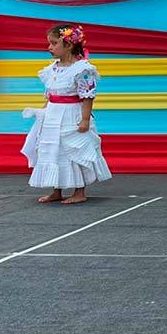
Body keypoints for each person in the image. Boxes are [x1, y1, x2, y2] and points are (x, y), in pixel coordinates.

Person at [21, 25, 112, 204]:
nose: (50, 47)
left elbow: (87, 96)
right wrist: (43, 112)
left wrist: (85, 119)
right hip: (53, 115)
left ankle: (79, 191)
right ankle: (57, 189)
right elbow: (50, 94)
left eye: (54, 43)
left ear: (68, 45)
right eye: (50, 43)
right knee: (53, 150)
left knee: (74, 150)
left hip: (72, 115)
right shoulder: (51, 69)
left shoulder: (82, 69)